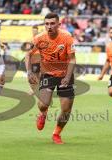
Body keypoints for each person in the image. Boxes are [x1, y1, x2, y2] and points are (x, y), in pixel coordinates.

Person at [25, 13, 76, 144]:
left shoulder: (67, 37)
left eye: (52, 23)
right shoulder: (39, 38)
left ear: (58, 24)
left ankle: (56, 134)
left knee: (66, 109)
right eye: (47, 24)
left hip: (65, 75)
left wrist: (68, 77)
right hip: (48, 74)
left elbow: (72, 59)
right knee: (43, 104)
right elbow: (28, 54)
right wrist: (29, 71)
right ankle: (43, 113)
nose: (49, 26)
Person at [25, 25, 41, 95]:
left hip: (40, 59)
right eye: (33, 30)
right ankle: (33, 89)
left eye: (36, 30)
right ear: (32, 31)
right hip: (33, 59)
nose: (34, 31)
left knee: (39, 75)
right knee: (33, 75)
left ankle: (37, 89)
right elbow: (28, 50)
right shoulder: (30, 40)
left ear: (37, 31)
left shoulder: (40, 39)